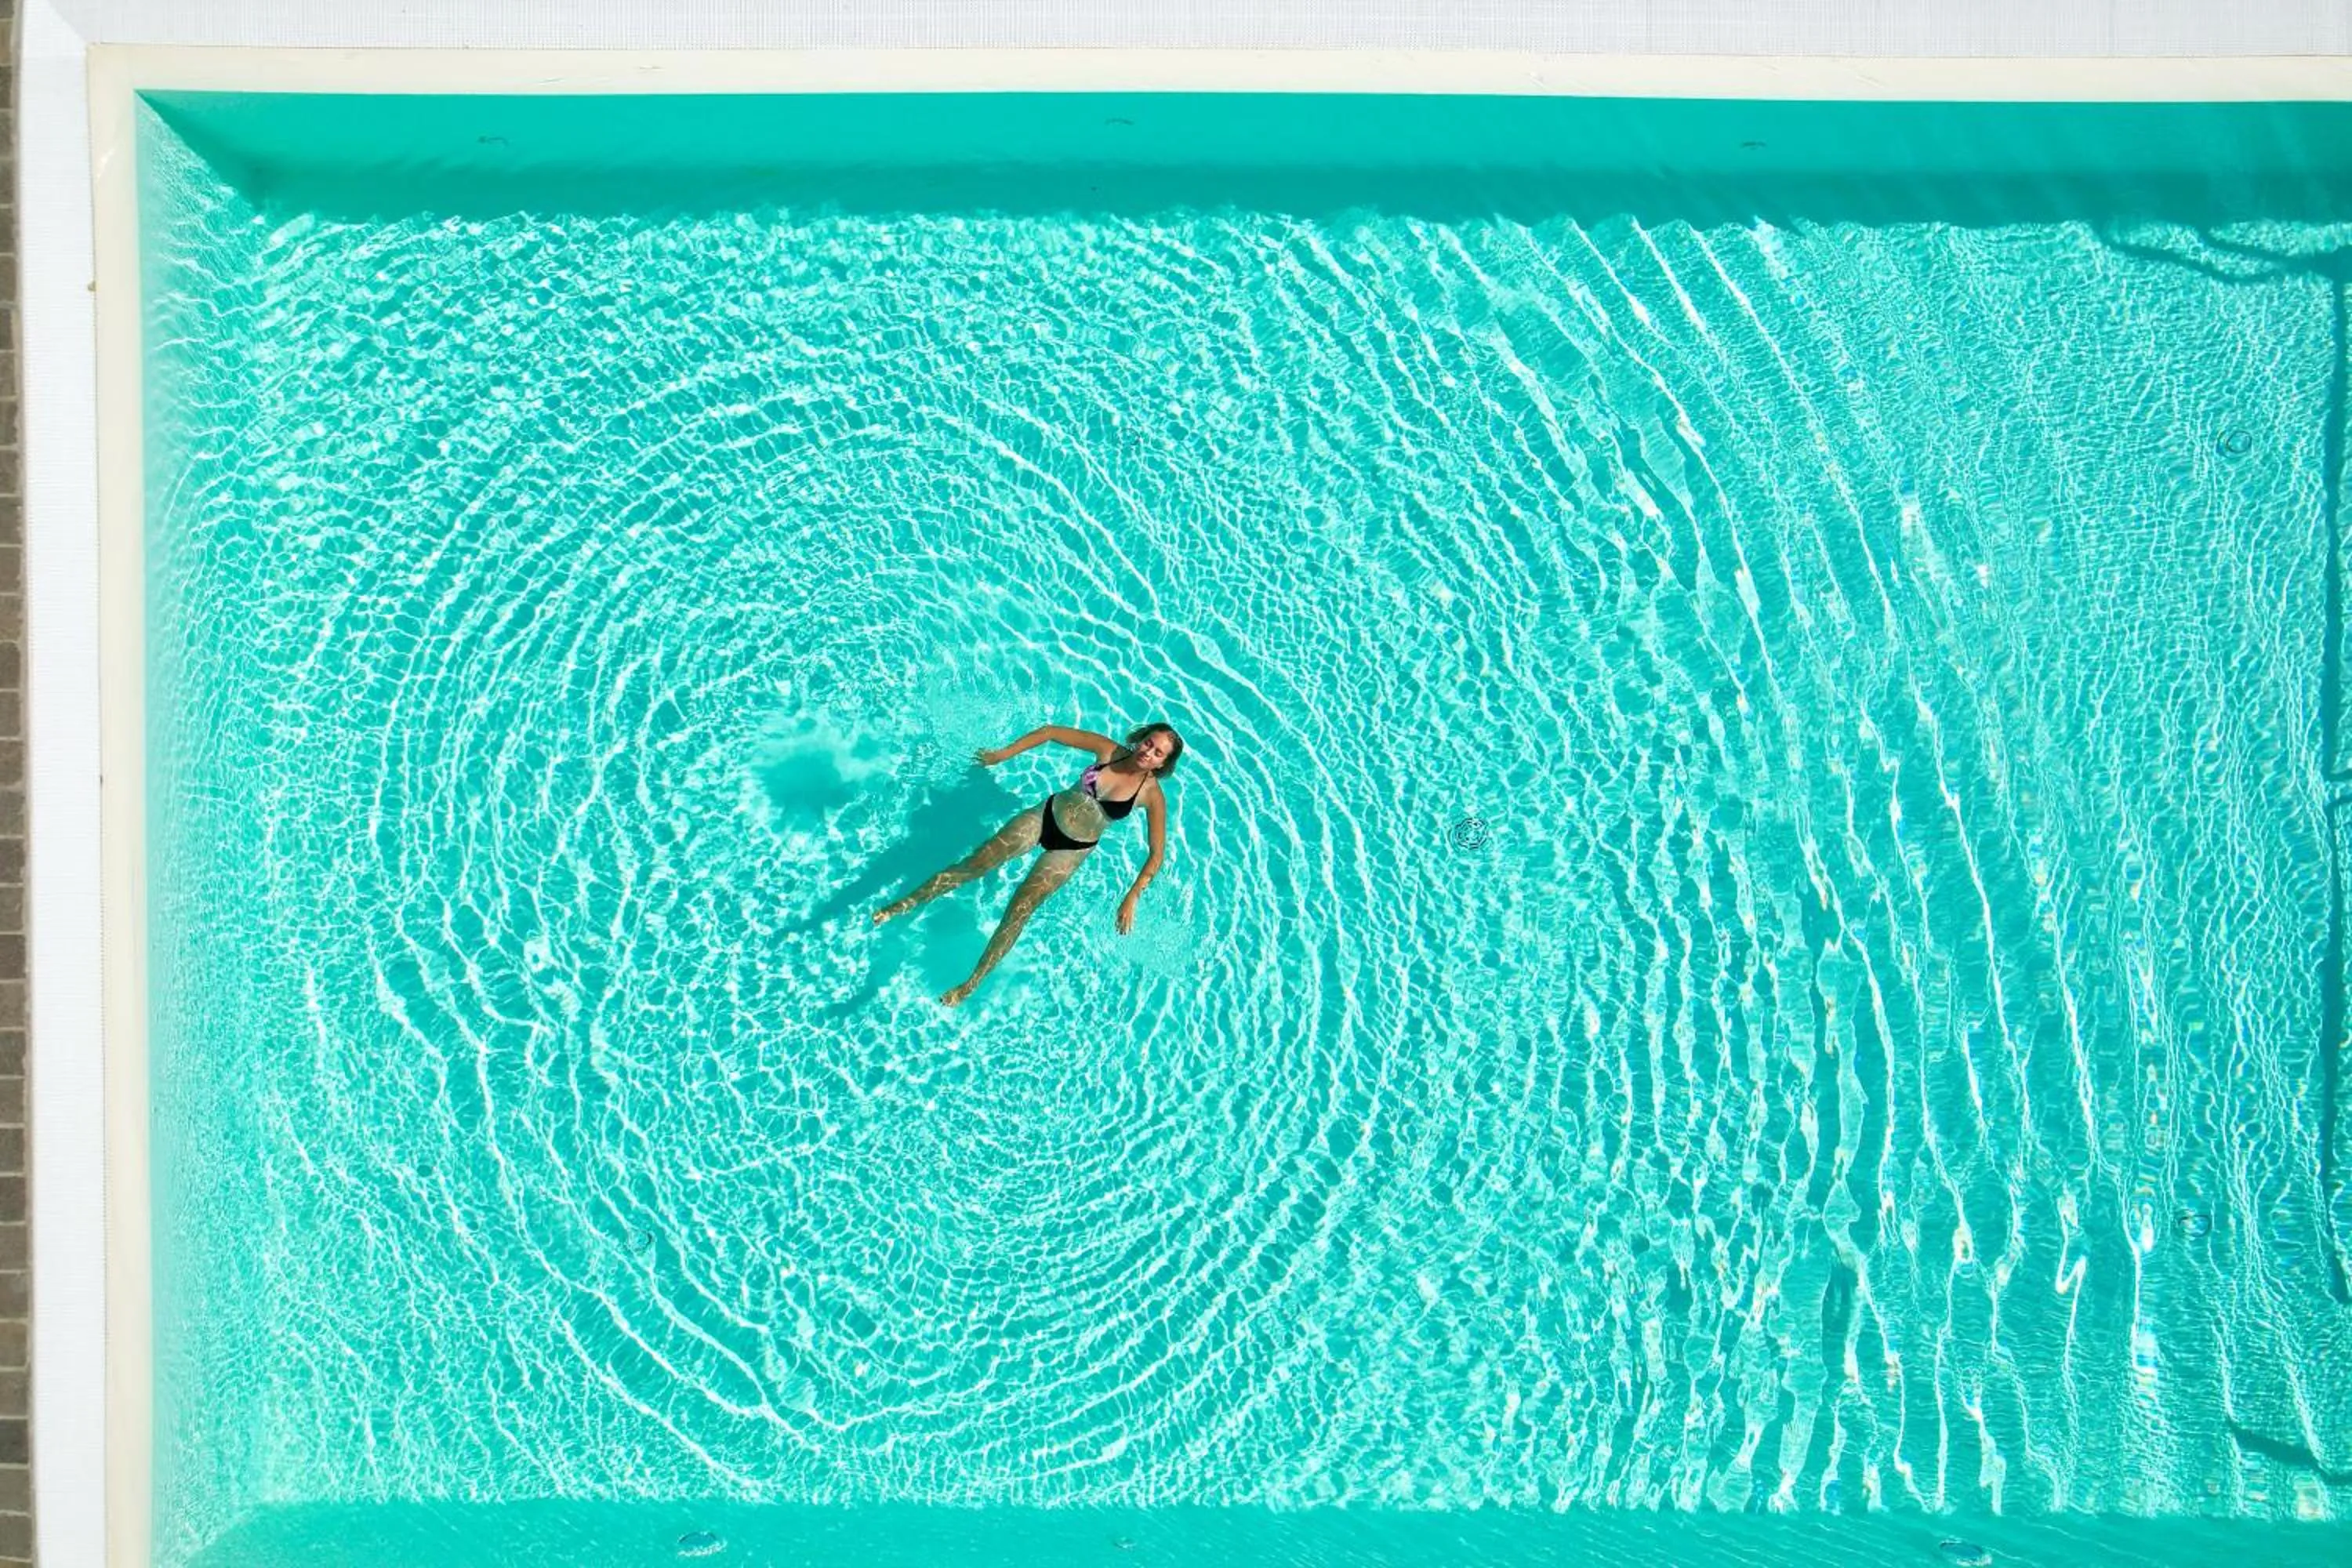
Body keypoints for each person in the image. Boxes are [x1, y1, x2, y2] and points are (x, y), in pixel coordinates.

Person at [873, 722, 1183, 1006]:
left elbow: (1156, 853)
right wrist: (1002, 755)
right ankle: (903, 904)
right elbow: (1050, 732)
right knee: (975, 864)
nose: (1148, 753)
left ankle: (970, 984)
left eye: (1158, 753)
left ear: (1163, 764)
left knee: (1019, 912)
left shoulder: (1151, 795)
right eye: (1148, 743)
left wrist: (1132, 896)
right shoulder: (1108, 750)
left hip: (1072, 849)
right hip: (1044, 817)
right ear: (1140, 739)